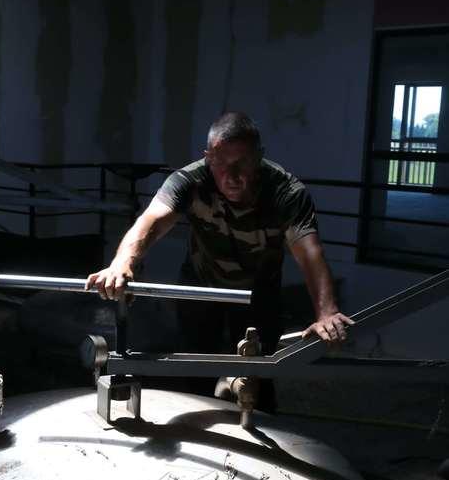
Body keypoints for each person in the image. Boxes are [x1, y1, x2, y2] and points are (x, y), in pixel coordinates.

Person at [86, 111, 353, 406]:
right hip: (201, 289)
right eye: (221, 164)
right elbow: (152, 221)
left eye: (242, 164)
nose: (232, 176)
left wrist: (326, 312)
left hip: (258, 294)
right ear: (208, 157)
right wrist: (123, 262)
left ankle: (257, 432)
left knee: (257, 380)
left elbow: (310, 252)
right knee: (195, 374)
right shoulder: (190, 180)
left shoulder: (286, 192)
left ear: (259, 157)